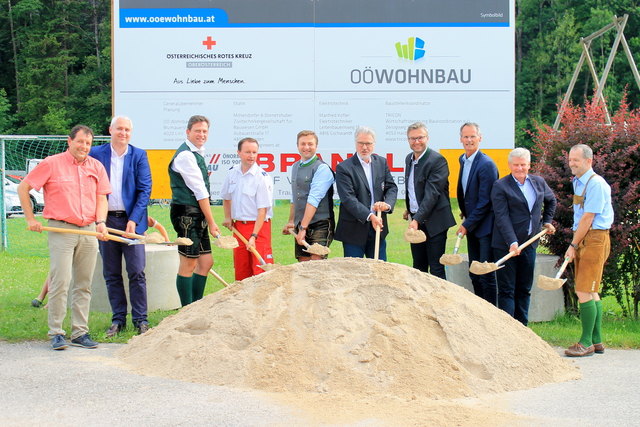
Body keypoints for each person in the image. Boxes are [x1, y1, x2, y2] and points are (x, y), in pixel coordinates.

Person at [18, 125, 111, 350]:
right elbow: (24, 187)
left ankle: (80, 332)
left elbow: (101, 198)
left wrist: (101, 223)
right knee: (61, 282)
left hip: (88, 230)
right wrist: (31, 219)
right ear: (69, 141)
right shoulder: (52, 163)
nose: (84, 147)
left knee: (84, 284)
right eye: (80, 142)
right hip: (62, 229)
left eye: (88, 144)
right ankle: (56, 332)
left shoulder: (96, 166)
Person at [90, 116, 152, 336]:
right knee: (111, 272)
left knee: (136, 271)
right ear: (110, 130)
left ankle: (141, 320)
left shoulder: (138, 155)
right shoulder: (96, 154)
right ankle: (118, 320)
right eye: (119, 129)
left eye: (127, 129)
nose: (123, 133)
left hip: (132, 222)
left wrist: (133, 220)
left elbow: (145, 190)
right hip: (105, 221)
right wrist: (99, 220)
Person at [29, 215, 169, 309]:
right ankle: (43, 297)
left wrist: (166, 240)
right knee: (60, 267)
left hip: (113, 242)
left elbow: (160, 227)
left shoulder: (142, 218)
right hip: (96, 237)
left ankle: (46, 300)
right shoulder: (108, 217)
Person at [491, 147, 556, 325]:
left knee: (524, 288)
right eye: (516, 165)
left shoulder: (538, 182)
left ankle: (523, 328)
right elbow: (501, 217)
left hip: (529, 244)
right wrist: (512, 242)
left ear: (529, 165)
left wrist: (547, 221)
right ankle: (508, 330)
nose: (520, 168)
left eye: (523, 165)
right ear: (510, 165)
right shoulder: (500, 186)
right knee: (507, 289)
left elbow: (551, 201)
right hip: (506, 245)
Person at [564, 144, 613, 357]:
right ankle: (597, 341)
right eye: (570, 159)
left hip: (594, 238)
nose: (571, 163)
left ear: (588, 161)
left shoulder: (596, 184)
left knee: (583, 289)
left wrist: (573, 245)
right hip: (587, 237)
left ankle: (585, 343)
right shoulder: (579, 182)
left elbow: (588, 217)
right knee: (591, 290)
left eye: (576, 160)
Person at [169, 115, 220, 306]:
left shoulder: (196, 153)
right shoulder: (185, 156)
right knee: (189, 262)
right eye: (197, 130)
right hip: (186, 214)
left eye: (205, 131)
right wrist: (212, 222)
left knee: (206, 262)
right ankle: (186, 309)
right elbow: (200, 191)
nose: (201, 134)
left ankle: (196, 306)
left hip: (196, 214)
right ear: (188, 132)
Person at [334, 126, 397, 260]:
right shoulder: (344, 168)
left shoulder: (381, 162)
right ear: (355, 143)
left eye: (368, 143)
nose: (364, 147)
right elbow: (348, 199)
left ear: (373, 144)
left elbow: (391, 187)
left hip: (378, 229)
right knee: (355, 274)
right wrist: (370, 216)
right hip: (353, 230)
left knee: (380, 271)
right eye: (361, 143)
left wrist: (387, 205)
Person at [403, 122, 456, 279]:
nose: (416, 141)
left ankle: (441, 303)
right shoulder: (409, 159)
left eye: (420, 137)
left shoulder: (437, 161)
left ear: (427, 138)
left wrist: (416, 218)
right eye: (412, 138)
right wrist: (410, 208)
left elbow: (432, 194)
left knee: (436, 268)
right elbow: (414, 187)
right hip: (418, 220)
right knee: (418, 267)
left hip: (436, 221)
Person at [456, 122, 499, 304]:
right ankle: (479, 313)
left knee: (486, 273)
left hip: (485, 228)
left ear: (480, 138)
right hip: (473, 226)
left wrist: (466, 224)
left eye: (473, 136)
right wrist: (465, 214)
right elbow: (468, 194)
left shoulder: (486, 165)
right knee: (474, 272)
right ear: (461, 139)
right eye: (466, 136)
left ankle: (491, 316)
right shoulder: (463, 160)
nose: (469, 140)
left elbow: (485, 202)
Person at [221, 137, 274, 280]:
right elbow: (226, 197)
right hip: (238, 228)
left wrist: (254, 236)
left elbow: (262, 210)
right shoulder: (232, 173)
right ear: (239, 153)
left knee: (260, 270)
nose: (251, 156)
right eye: (247, 152)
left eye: (254, 152)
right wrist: (228, 217)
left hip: (259, 228)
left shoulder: (262, 177)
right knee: (241, 269)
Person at [282, 130, 335, 261]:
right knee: (303, 265)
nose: (306, 147)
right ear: (297, 145)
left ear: (316, 146)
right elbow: (295, 198)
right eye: (303, 144)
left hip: (320, 224)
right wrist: (291, 222)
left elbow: (313, 201)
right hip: (301, 223)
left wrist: (303, 228)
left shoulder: (322, 169)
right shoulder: (295, 166)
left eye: (310, 144)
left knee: (317, 266)